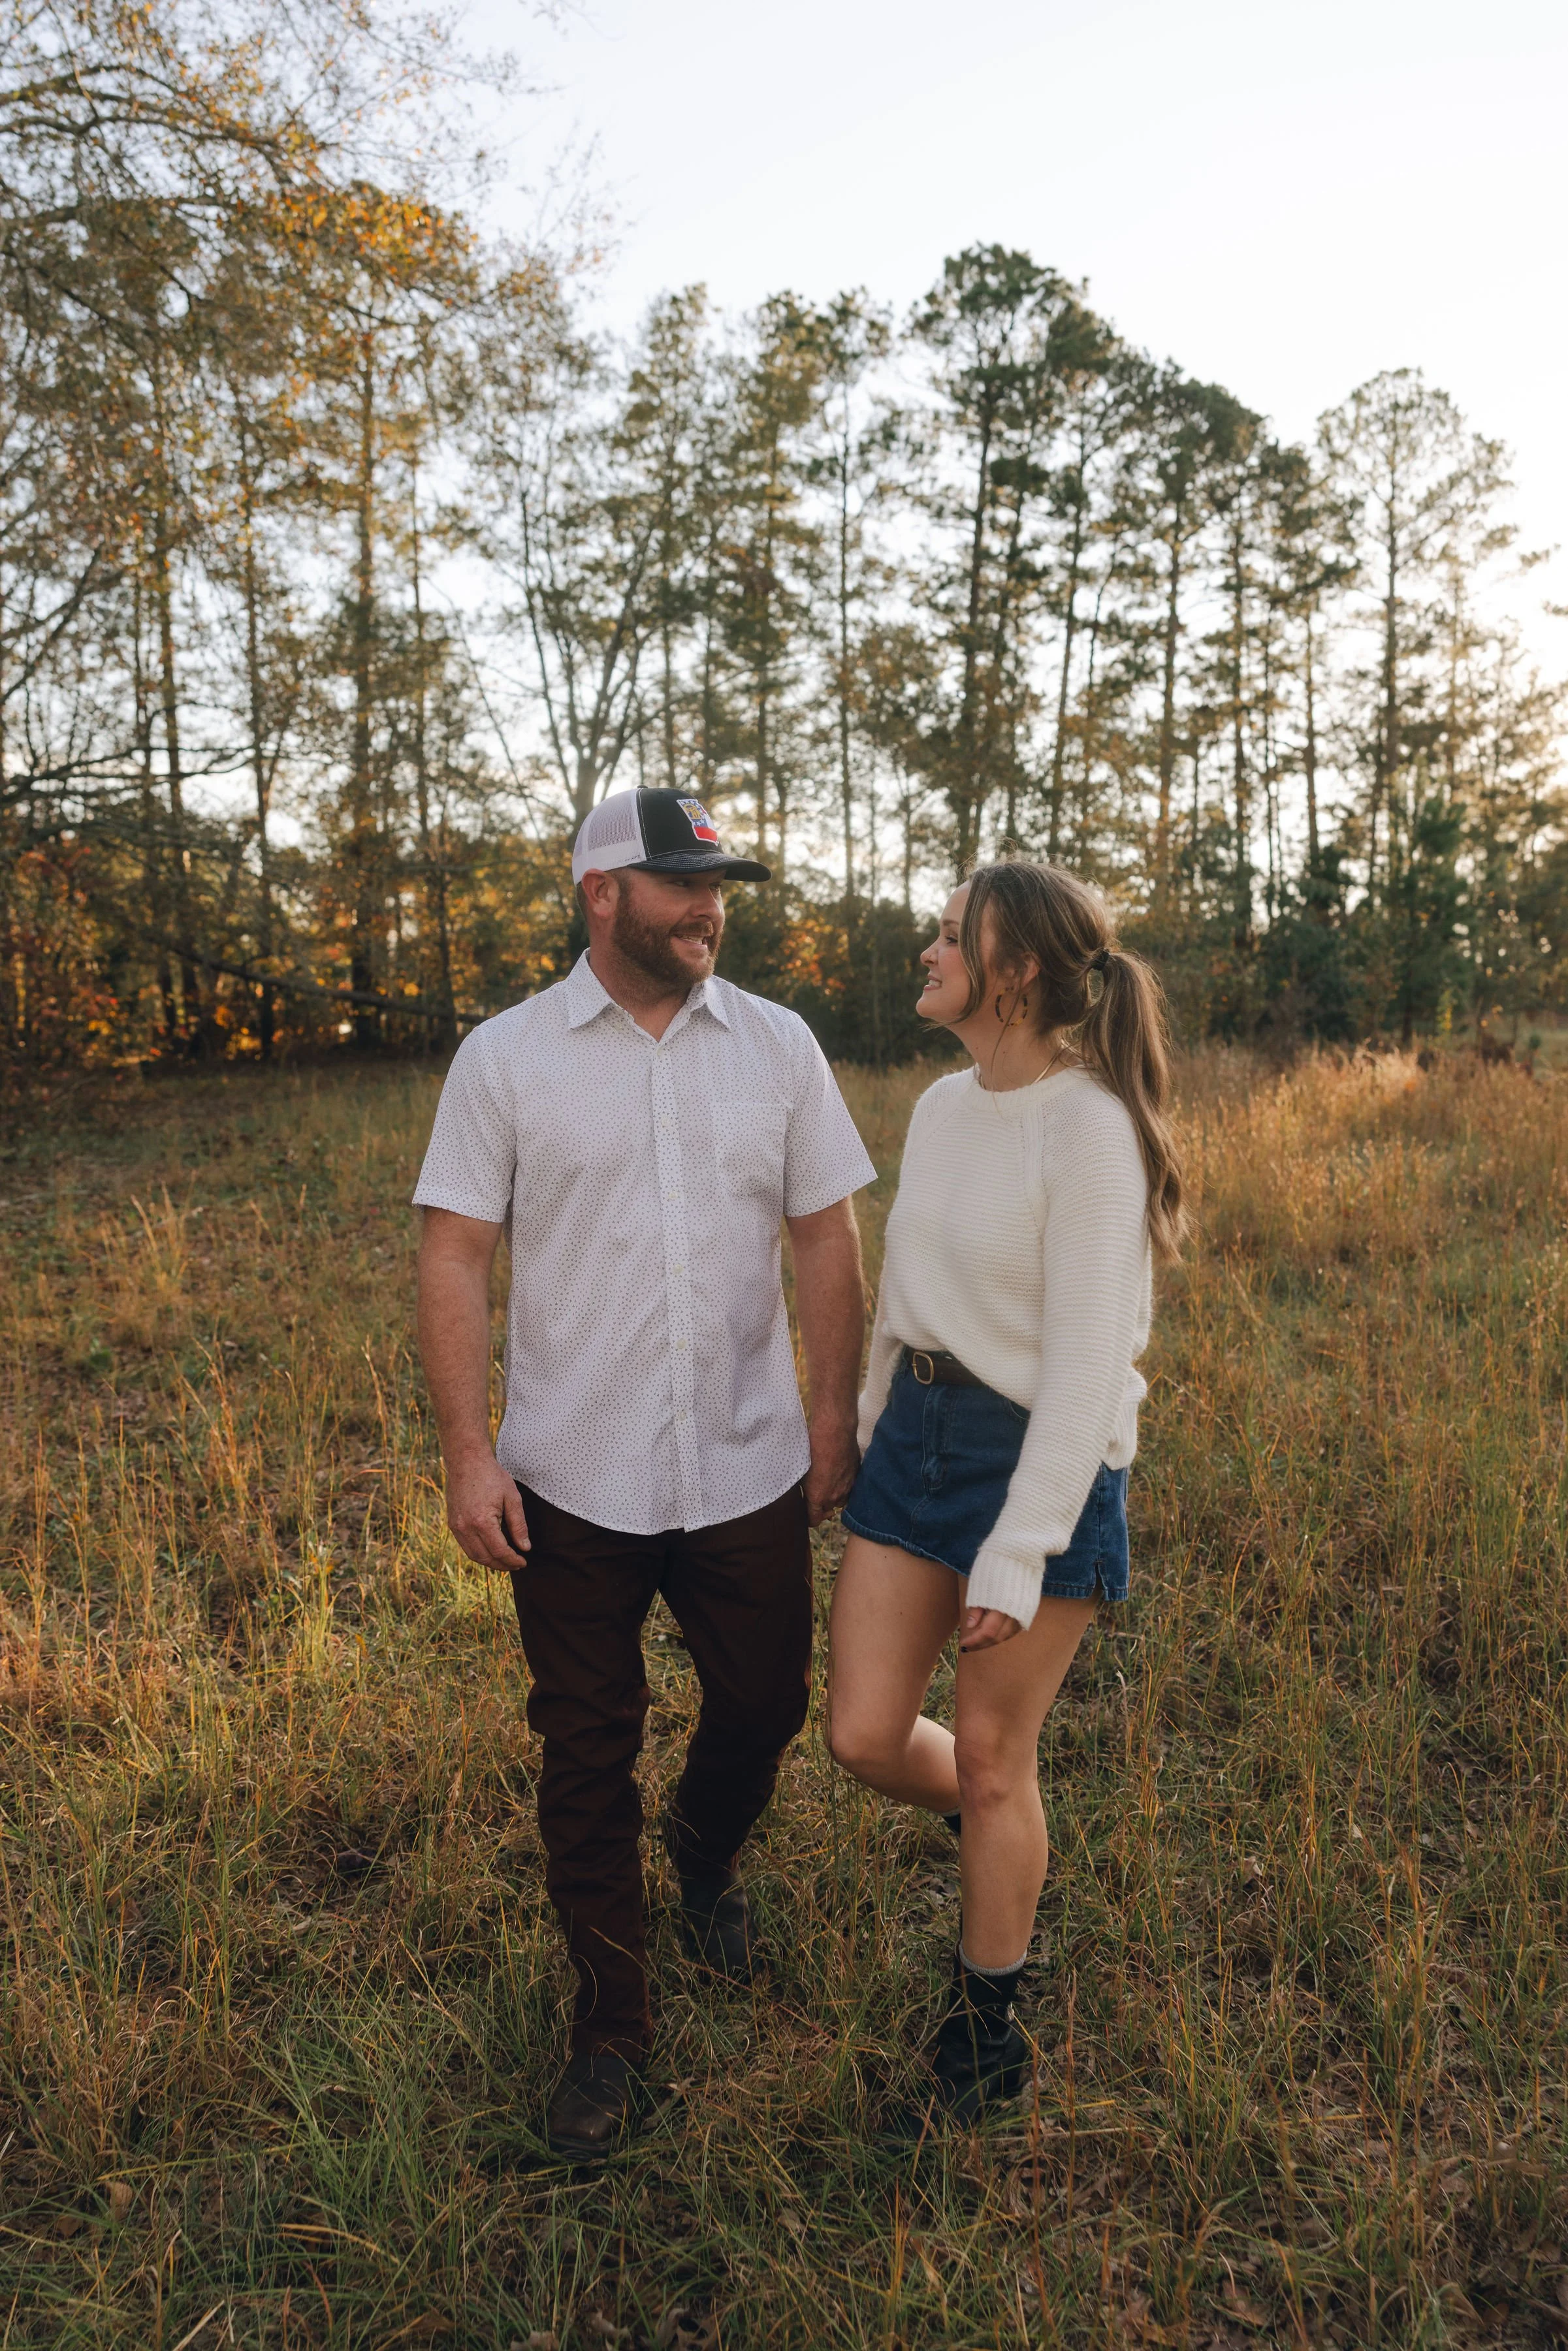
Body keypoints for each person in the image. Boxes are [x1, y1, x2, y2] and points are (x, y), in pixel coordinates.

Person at [413, 786, 874, 2161]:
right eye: (677, 884)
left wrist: (832, 1413)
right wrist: (467, 1453)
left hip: (746, 1460)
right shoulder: (504, 1060)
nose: (708, 908)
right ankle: (611, 2026)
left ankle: (707, 1851)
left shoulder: (779, 1047)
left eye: (717, 885)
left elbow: (827, 1238)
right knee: (584, 1748)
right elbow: (453, 1253)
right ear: (599, 892)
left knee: (765, 1704)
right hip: (570, 1472)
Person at [827, 859, 1185, 2124]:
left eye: (947, 935)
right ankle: (1001, 1846)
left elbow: (1089, 1369)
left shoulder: (1091, 1127)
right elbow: (906, 1296)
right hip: (915, 1441)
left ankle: (987, 2033)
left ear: (1014, 970)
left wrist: (1020, 1547)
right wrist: (870, 1432)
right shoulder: (938, 1106)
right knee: (864, 1734)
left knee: (991, 1758)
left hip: (1036, 1458)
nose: (925, 950)